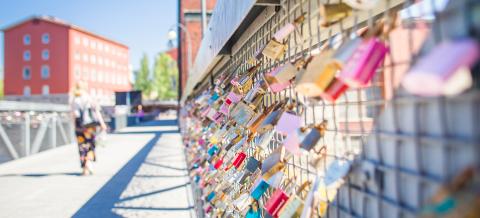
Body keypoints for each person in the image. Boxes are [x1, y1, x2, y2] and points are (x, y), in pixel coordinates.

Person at [70, 82, 107, 176]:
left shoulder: (75, 99)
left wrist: (74, 126)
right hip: (90, 126)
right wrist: (102, 123)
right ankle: (88, 164)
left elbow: (74, 114)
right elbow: (96, 111)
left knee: (82, 146)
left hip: (79, 126)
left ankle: (85, 167)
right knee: (90, 145)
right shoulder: (89, 98)